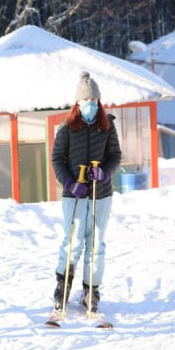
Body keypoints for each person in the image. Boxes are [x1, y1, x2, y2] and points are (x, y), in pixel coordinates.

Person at [50, 71, 122, 314]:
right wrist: (70, 183)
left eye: (93, 100)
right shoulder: (67, 128)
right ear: (77, 103)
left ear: (98, 101)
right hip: (75, 195)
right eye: (85, 100)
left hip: (101, 195)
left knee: (95, 244)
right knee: (73, 242)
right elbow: (57, 160)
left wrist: (105, 172)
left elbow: (115, 156)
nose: (89, 104)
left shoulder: (107, 126)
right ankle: (63, 287)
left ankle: (91, 290)